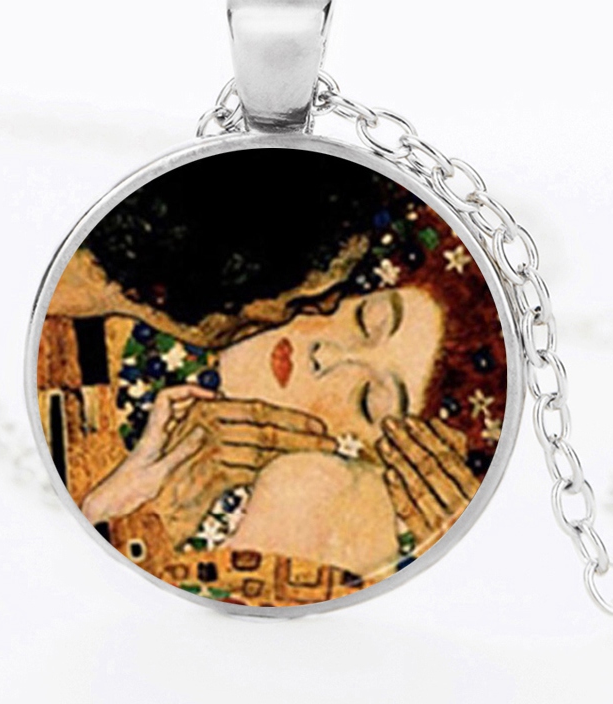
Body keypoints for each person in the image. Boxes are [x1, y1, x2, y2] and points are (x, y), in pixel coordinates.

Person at [44, 149, 507, 600]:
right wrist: (145, 513)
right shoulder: (71, 334)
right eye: (366, 319)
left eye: (369, 399)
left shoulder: (324, 504)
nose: (328, 356)